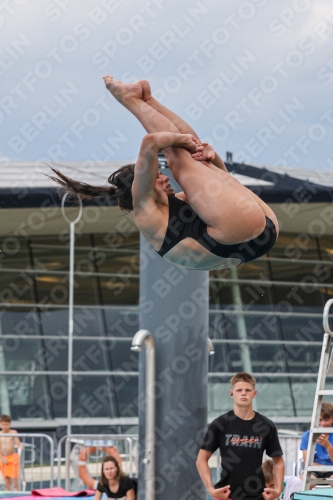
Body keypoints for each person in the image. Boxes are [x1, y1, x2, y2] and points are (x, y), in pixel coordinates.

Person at [50, 77, 279, 271]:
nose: (165, 177)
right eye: (159, 177)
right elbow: (150, 141)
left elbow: (221, 178)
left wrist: (211, 154)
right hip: (243, 235)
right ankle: (128, 99)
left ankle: (148, 101)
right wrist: (181, 142)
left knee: (195, 158)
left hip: (255, 234)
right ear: (144, 184)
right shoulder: (144, 208)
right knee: (179, 158)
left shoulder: (176, 203)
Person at [196, 372, 285, 500]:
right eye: (239, 390)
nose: (243, 393)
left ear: (254, 394)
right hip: (227, 496)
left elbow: (278, 461)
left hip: (257, 496)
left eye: (248, 390)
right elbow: (201, 459)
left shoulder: (266, 425)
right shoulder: (220, 424)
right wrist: (211, 489)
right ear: (231, 393)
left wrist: (277, 489)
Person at [299, 402, 333, 487]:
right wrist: (323, 467)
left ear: (332, 419)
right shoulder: (307, 436)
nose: (323, 424)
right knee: (303, 481)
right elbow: (307, 463)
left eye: (326, 420)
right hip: (314, 471)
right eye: (320, 420)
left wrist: (328, 446)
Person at [0, 414, 22, 491]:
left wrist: (20, 447)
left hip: (13, 458)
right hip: (3, 459)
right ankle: (7, 496)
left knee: (15, 481)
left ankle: (17, 496)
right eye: (3, 424)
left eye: (6, 424)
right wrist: (1, 458)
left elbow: (18, 443)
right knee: (6, 481)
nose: (5, 426)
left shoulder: (13, 432)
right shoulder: (0, 434)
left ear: (10, 424)